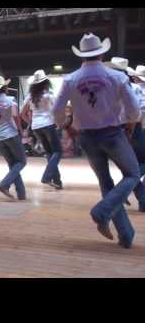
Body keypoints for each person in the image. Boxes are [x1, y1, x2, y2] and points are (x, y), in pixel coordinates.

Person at [53, 33, 140, 249]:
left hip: (87, 136)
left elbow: (57, 109)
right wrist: (130, 123)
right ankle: (102, 211)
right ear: (102, 53)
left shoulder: (70, 79)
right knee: (133, 174)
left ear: (82, 56)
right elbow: (134, 109)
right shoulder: (117, 77)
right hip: (112, 133)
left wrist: (67, 126)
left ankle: (126, 234)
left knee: (105, 181)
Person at [104, 57, 145, 210]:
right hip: (132, 129)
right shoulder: (132, 88)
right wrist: (130, 130)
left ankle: (140, 200)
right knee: (134, 168)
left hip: (113, 130)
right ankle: (122, 191)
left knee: (130, 168)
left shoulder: (106, 89)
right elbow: (135, 112)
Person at [0, 76, 26, 200]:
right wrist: (20, 130)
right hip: (11, 134)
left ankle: (21, 194)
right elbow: (15, 116)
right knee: (22, 161)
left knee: (13, 164)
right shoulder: (10, 100)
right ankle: (5, 184)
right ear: (5, 88)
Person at [21, 70, 63, 190]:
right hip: (48, 124)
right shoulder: (49, 95)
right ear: (46, 82)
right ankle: (47, 176)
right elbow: (57, 111)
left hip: (36, 127)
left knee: (50, 153)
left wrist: (31, 122)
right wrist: (58, 123)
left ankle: (58, 181)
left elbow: (22, 113)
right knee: (58, 152)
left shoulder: (30, 97)